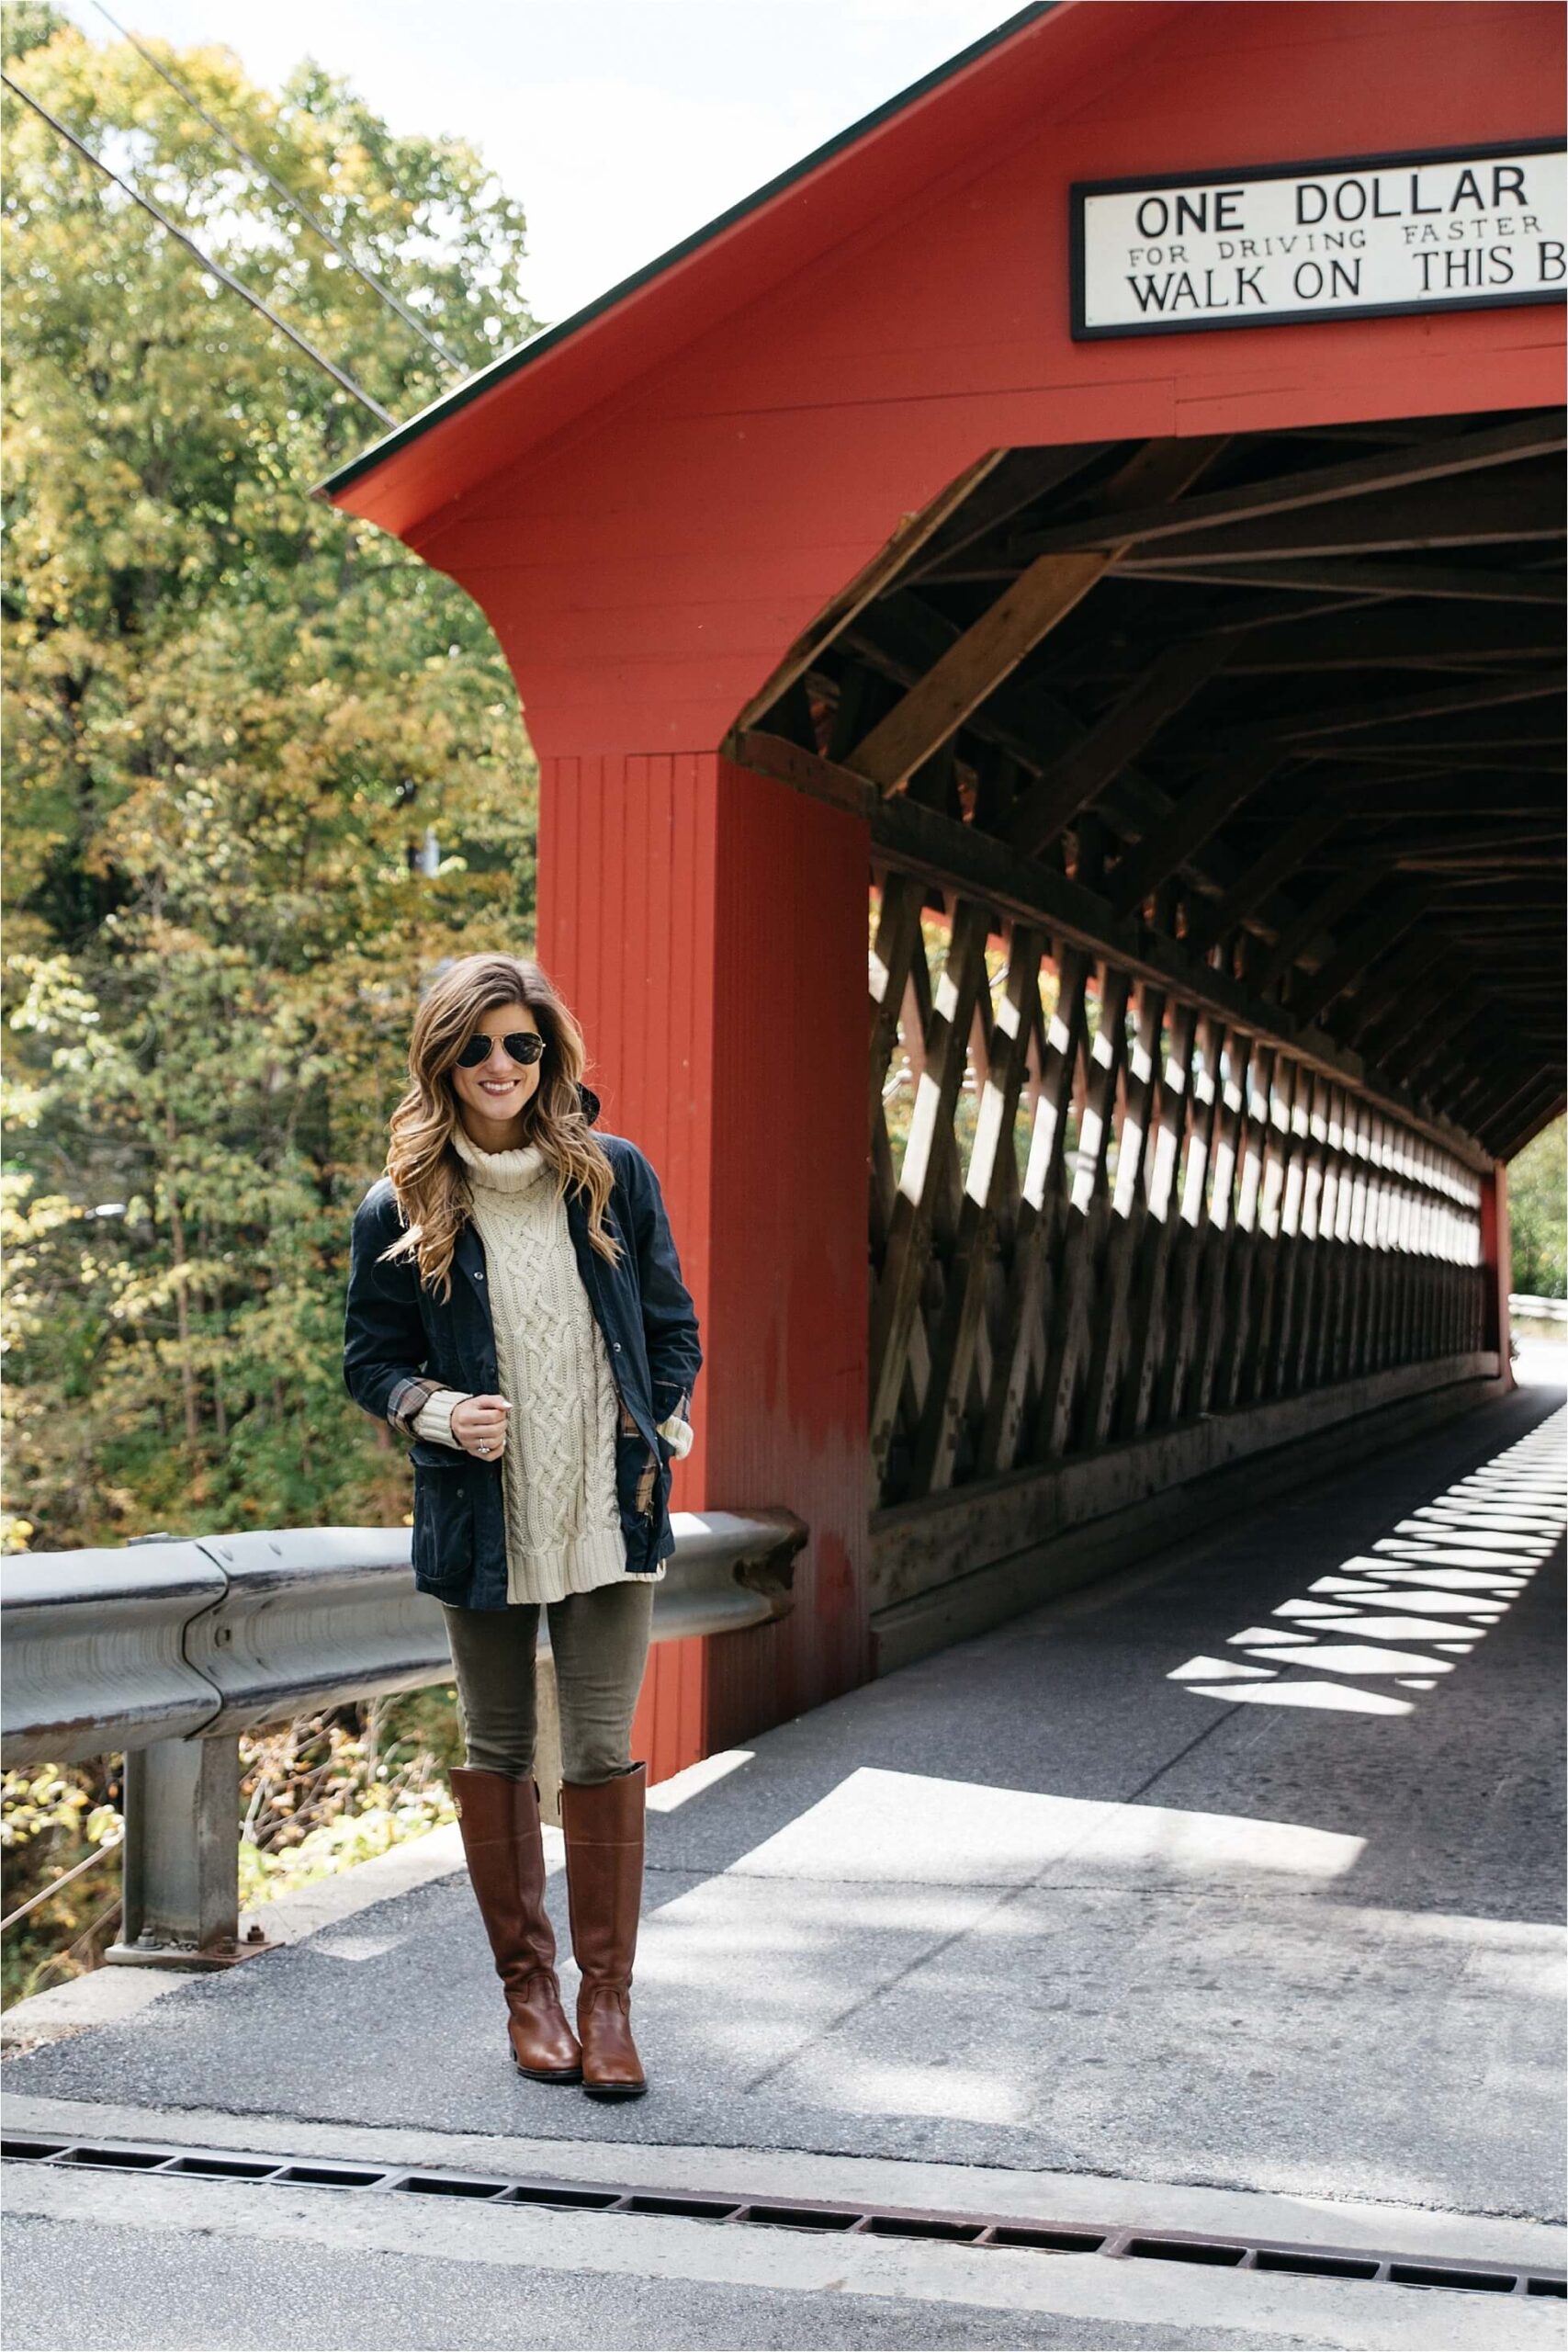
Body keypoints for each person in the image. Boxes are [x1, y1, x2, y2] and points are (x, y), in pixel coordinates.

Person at [343, 952, 701, 2100]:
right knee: (500, 1754)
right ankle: (529, 1994)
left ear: (549, 1055)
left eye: (522, 1044)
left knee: (598, 1753)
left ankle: (608, 2002)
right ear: (442, 1058)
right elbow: (370, 1363)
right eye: (478, 1046)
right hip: (480, 1521)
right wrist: (440, 1410)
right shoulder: (399, 1204)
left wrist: (669, 1415)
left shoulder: (613, 1176)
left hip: (608, 1507)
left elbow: (669, 1322)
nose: (501, 1065)